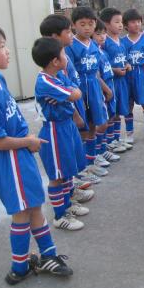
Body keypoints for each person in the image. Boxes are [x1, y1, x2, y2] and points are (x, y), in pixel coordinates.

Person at [0, 23, 74, 284]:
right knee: (22, 212)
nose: (7, 51)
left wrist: (26, 142)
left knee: (34, 206)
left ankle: (48, 255)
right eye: (1, 46)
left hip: (19, 154)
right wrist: (28, 141)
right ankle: (19, 268)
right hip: (8, 158)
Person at [39, 14, 99, 187]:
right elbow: (70, 94)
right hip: (64, 115)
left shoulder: (64, 56)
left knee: (76, 142)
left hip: (73, 105)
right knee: (67, 150)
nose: (71, 35)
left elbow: (73, 87)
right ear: (54, 37)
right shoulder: (55, 65)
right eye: (68, 32)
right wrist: (76, 113)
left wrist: (74, 92)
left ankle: (79, 174)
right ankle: (75, 180)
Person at [66, 7, 114, 179]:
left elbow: (96, 72)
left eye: (91, 24)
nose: (87, 28)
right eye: (82, 24)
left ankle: (92, 160)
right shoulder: (70, 46)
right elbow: (69, 73)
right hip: (80, 89)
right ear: (74, 25)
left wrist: (105, 88)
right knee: (83, 128)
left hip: (94, 88)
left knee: (95, 123)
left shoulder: (94, 44)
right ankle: (83, 166)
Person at [99, 7, 133, 152]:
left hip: (122, 82)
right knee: (111, 112)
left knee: (119, 111)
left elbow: (125, 59)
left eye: (121, 22)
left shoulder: (121, 41)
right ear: (106, 24)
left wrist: (127, 65)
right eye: (117, 22)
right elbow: (102, 66)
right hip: (111, 82)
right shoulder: (104, 42)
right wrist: (115, 70)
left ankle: (116, 139)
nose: (120, 25)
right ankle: (109, 141)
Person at [121, 9, 144, 144]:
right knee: (128, 103)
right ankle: (129, 133)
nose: (136, 24)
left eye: (138, 21)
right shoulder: (122, 41)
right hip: (127, 74)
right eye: (133, 22)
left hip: (143, 73)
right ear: (126, 25)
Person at [92, 22, 122, 165]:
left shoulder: (102, 51)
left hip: (110, 84)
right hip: (102, 88)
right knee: (101, 122)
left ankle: (104, 148)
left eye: (104, 33)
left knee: (109, 118)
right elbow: (96, 75)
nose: (102, 36)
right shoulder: (93, 52)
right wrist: (106, 89)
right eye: (98, 34)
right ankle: (97, 152)